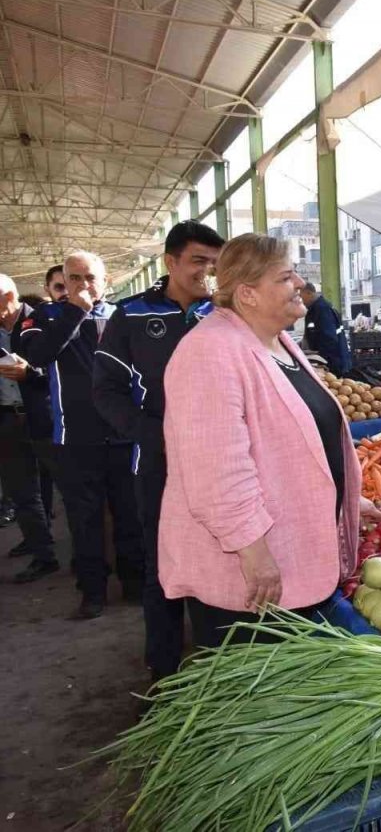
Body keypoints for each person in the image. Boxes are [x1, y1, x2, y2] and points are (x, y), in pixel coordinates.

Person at [160, 234, 376, 648]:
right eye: (284, 276)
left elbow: (292, 444)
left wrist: (345, 495)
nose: (299, 282)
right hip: (252, 583)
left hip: (292, 560)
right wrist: (253, 554)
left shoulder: (278, 342)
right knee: (255, 700)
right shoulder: (209, 352)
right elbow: (216, 472)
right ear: (247, 294)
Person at [92, 220, 222, 679]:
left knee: (220, 565)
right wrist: (153, 433)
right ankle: (163, 674)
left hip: (222, 465)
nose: (207, 271)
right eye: (197, 261)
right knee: (162, 569)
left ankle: (218, 671)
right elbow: (105, 391)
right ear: (170, 263)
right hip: (158, 465)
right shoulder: (129, 316)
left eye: (214, 262)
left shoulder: (224, 314)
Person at [17, 251, 143, 618]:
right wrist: (76, 310)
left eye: (90, 278)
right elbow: (39, 355)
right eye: (74, 278)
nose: (83, 285)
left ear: (106, 281)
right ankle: (92, 592)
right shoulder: (47, 316)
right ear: (63, 282)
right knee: (84, 520)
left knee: (130, 514)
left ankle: (134, 583)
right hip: (75, 439)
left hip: (124, 435)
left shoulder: (123, 316)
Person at [0, 274, 58, 583]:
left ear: (9, 298)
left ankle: (88, 557)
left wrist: (30, 374)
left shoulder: (42, 320)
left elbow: (61, 369)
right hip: (8, 419)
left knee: (69, 487)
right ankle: (42, 554)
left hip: (44, 417)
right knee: (22, 491)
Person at [300, 282, 352, 376]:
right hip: (329, 361)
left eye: (300, 296)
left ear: (309, 293)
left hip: (332, 364)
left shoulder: (322, 310)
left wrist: (317, 355)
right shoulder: (314, 310)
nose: (300, 300)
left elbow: (329, 338)